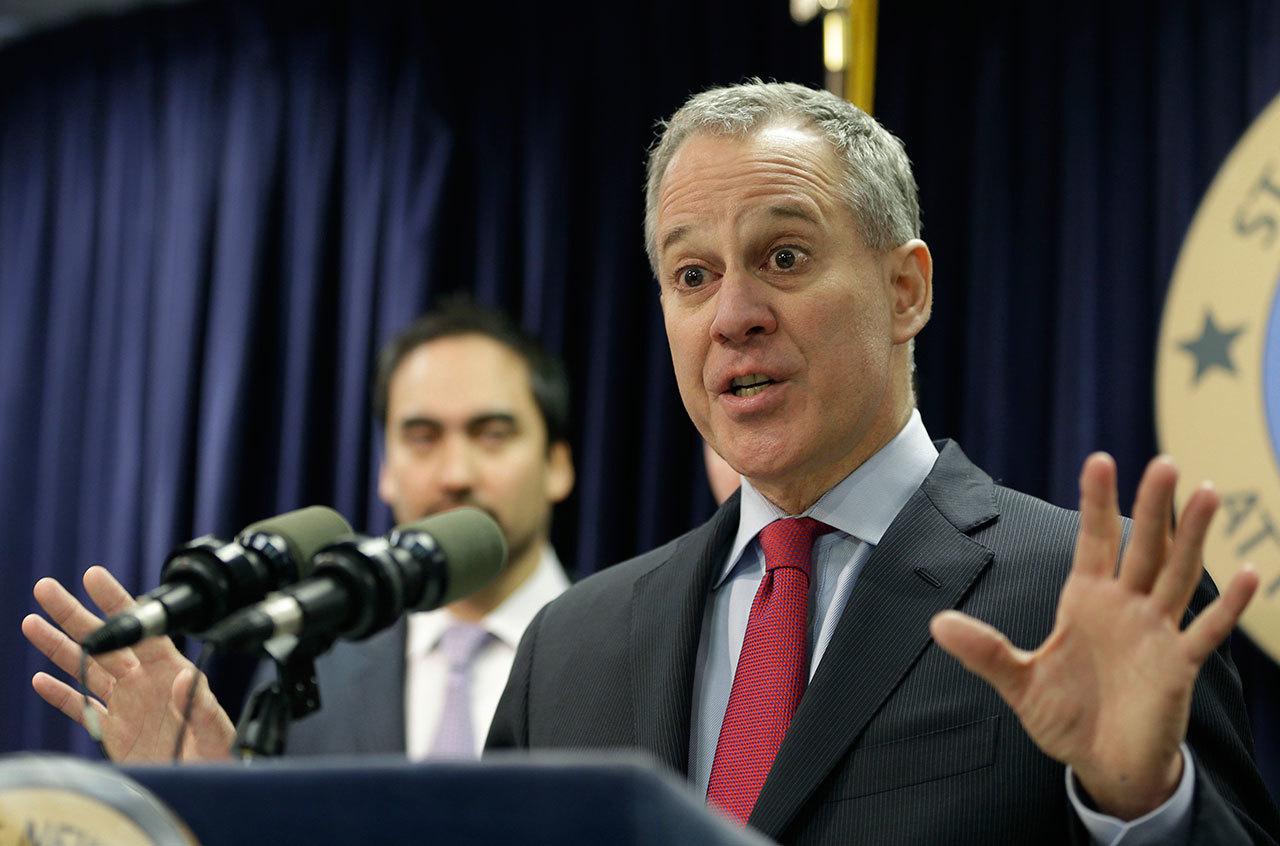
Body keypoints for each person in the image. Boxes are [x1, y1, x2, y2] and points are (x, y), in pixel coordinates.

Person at [484, 81, 1280, 844]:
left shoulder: (1081, 596)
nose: (733, 316)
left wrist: (1142, 806)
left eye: (785, 257)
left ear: (906, 290)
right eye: (693, 276)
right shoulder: (567, 650)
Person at [21, 299, 575, 761]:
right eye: (423, 437)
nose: (456, 475)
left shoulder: (625, 650)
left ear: (557, 464)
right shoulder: (308, 671)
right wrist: (215, 804)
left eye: (493, 434)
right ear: (385, 472)